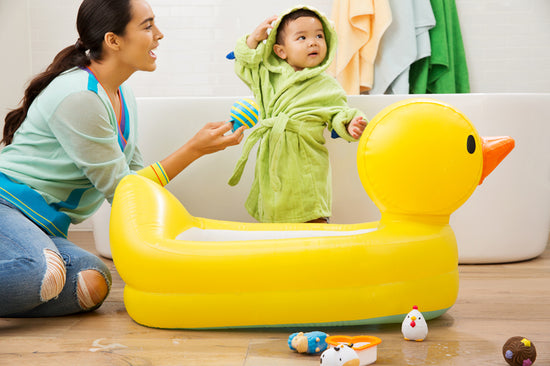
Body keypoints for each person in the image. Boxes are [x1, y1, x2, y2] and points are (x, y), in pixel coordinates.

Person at [0, 0, 244, 317]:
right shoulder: (80, 96)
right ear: (113, 40)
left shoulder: (120, 93)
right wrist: (193, 150)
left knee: (92, 284)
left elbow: (136, 182)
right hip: (8, 206)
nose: (159, 34)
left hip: (45, 228)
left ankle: (33, 278)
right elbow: (122, 190)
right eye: (147, 26)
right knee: (38, 272)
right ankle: (36, 273)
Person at [228, 6, 368, 224]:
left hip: (305, 161)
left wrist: (350, 124)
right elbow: (244, 62)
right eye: (301, 37)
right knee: (273, 213)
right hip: (272, 157)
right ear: (281, 51)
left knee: (311, 212)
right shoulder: (267, 75)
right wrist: (254, 38)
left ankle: (318, 248)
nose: (313, 42)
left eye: (319, 36)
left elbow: (339, 113)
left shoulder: (327, 85)